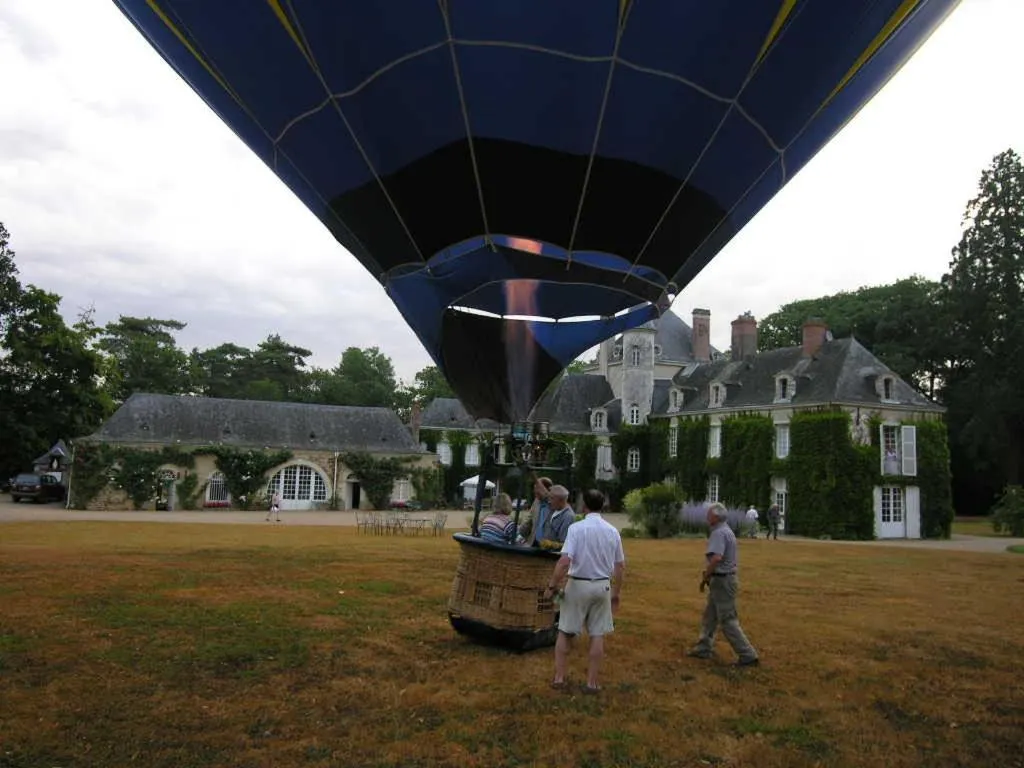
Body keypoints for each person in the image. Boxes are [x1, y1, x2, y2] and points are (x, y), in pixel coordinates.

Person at [544, 488, 625, 693]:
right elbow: (620, 565)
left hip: (578, 584)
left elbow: (564, 561)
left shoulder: (576, 529)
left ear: (584, 506)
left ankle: (560, 678)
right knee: (597, 634)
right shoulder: (612, 531)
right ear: (603, 506)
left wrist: (552, 585)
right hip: (602, 585)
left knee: (564, 631)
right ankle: (592, 682)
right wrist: (616, 593)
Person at [687, 502, 759, 667]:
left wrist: (706, 575)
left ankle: (748, 654)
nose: (706, 516)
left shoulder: (719, 533)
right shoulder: (726, 530)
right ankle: (704, 647)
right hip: (723, 580)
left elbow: (717, 558)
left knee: (727, 620)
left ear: (715, 517)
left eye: (709, 514)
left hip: (722, 580)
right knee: (710, 616)